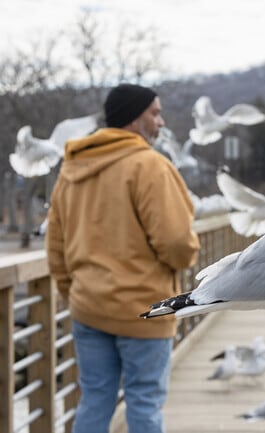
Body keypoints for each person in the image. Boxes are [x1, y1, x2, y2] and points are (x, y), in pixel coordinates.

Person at [46, 83, 200, 433]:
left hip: (88, 306)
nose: (161, 122)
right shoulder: (149, 166)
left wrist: (74, 290)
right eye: (155, 113)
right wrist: (185, 258)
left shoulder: (72, 168)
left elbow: (56, 246)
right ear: (134, 117)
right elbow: (177, 242)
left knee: (95, 399)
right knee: (144, 401)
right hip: (144, 307)